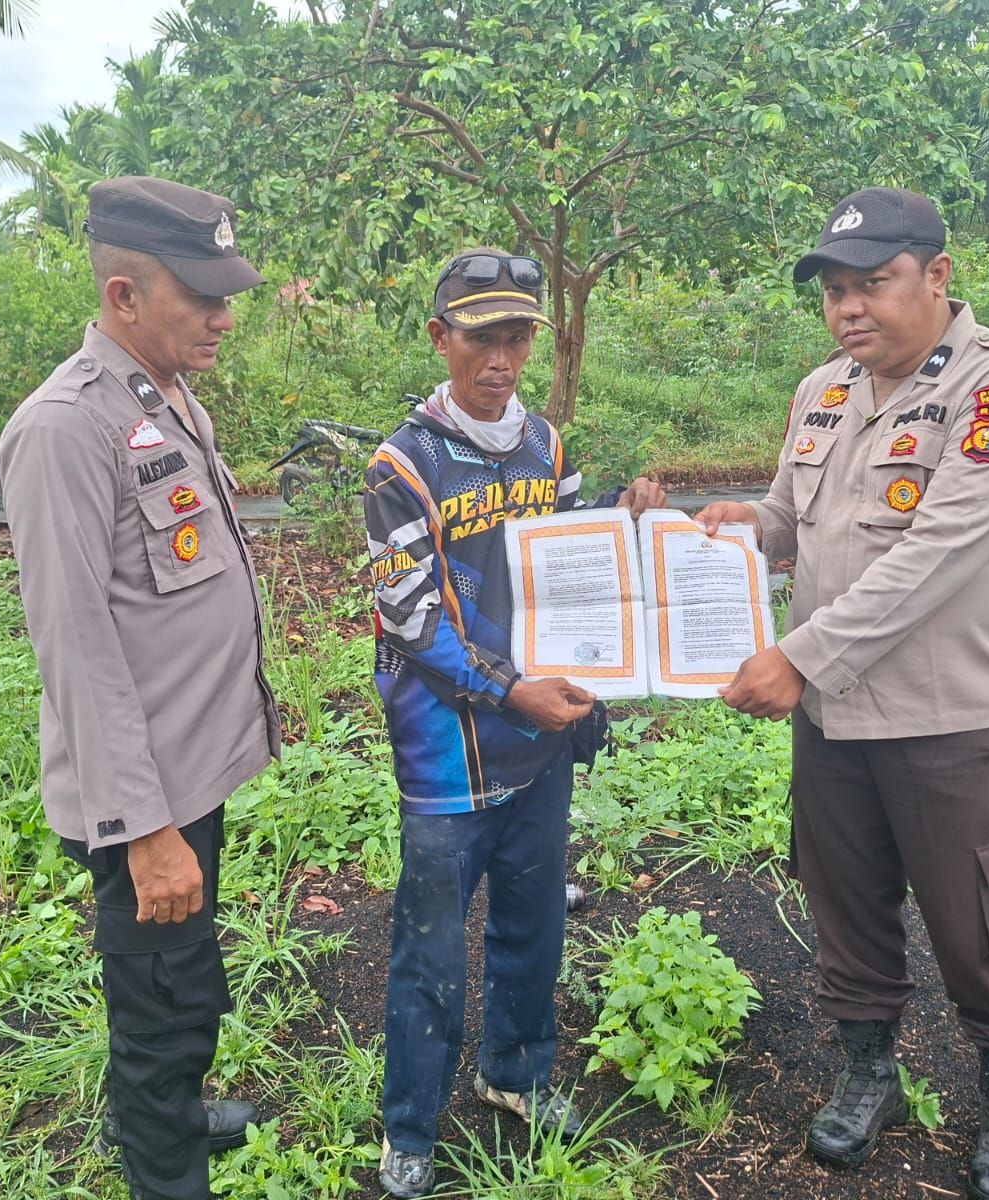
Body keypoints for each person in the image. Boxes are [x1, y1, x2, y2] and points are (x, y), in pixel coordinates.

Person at [697, 188, 989, 1200]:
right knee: (844, 906)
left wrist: (800, 656)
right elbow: (787, 519)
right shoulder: (822, 392)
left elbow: (939, 554)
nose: (849, 309)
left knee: (981, 922)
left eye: (873, 284)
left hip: (953, 717)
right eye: (834, 292)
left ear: (936, 277)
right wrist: (736, 526)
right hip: (834, 721)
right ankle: (869, 1075)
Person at [0, 176, 282, 1200]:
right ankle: (165, 1168)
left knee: (188, 976)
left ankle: (183, 1118)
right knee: (158, 1003)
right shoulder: (63, 429)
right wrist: (144, 829)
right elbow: (72, 642)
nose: (222, 314)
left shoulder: (157, 391)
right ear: (123, 295)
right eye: (199, 295)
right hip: (144, 793)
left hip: (190, 766)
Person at [365, 249, 666, 1198]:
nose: (500, 357)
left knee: (534, 929)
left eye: (517, 335)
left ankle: (516, 1076)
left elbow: (571, 576)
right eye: (479, 335)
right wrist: (510, 691)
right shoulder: (403, 464)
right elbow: (410, 618)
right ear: (439, 338)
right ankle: (409, 1129)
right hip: (447, 756)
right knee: (429, 948)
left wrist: (627, 524)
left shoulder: (546, 446)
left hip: (539, 748)